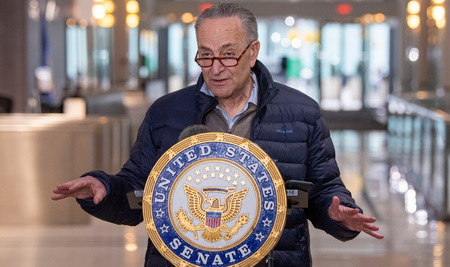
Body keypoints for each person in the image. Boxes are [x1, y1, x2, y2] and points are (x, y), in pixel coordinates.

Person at [52, 3, 384, 266]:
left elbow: (324, 190)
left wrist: (340, 216)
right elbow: (139, 191)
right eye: (205, 55)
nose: (215, 67)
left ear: (252, 53)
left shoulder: (301, 112)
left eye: (228, 54)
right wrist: (105, 188)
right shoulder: (166, 112)